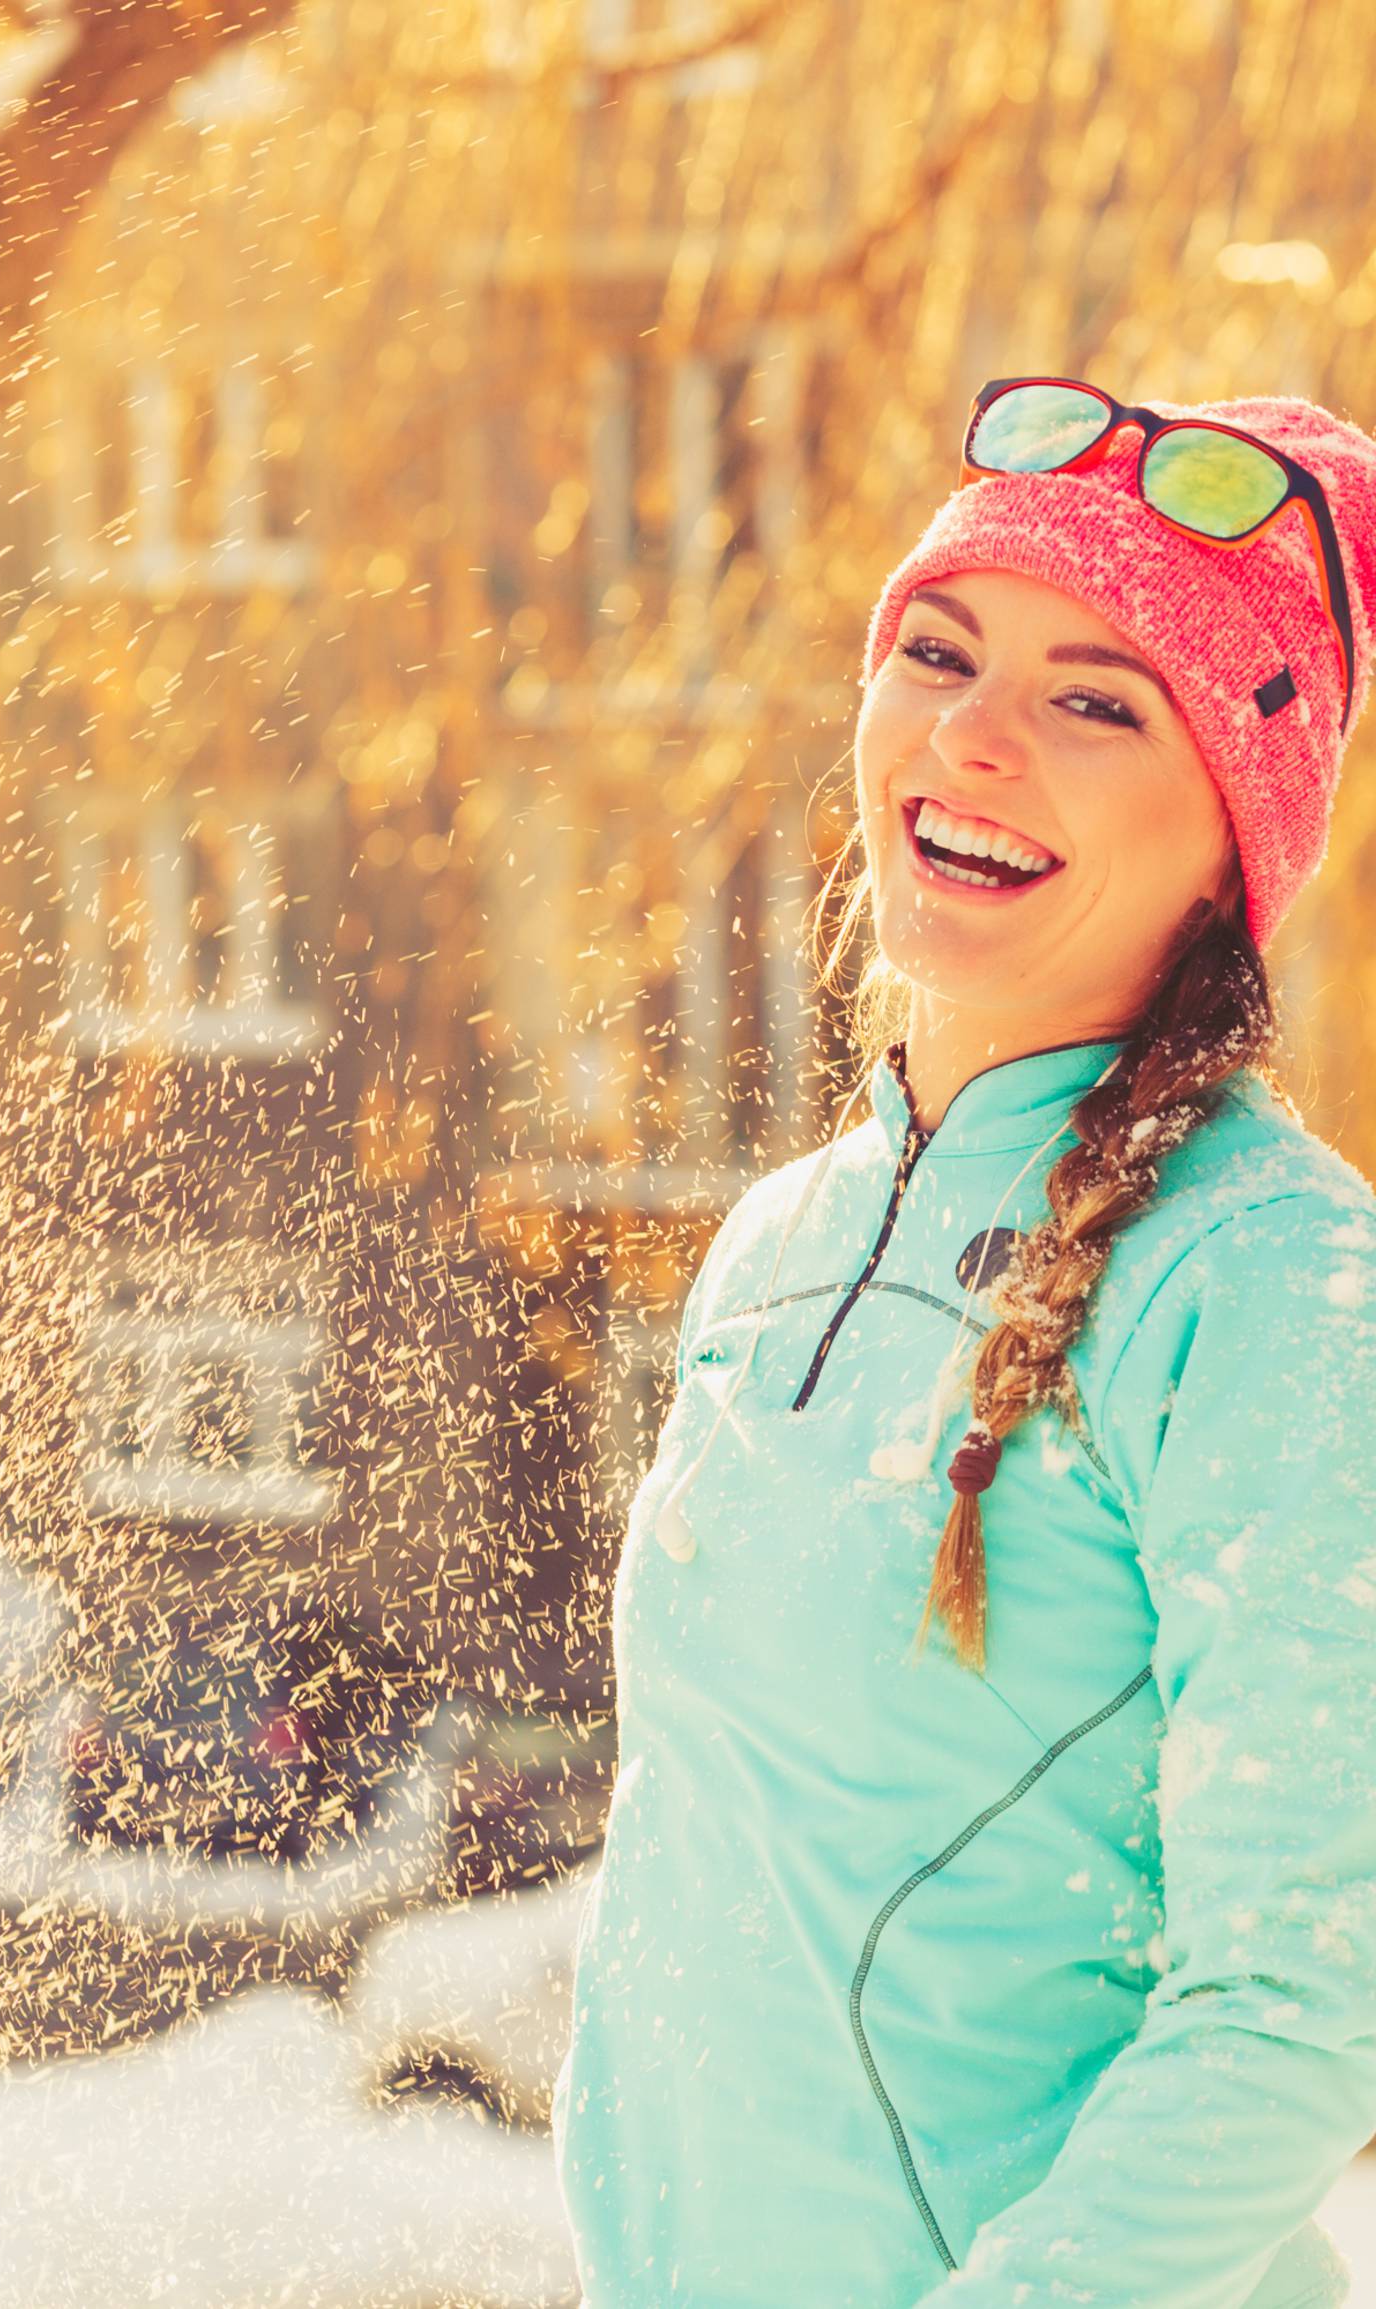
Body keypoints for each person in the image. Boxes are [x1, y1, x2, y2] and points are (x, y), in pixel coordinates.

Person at [550, 381, 1376, 2309]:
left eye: (1099, 699)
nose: (974, 733)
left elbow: (1307, 1990)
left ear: (1229, 835)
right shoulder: (778, 1245)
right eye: (937, 651)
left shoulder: (1267, 1287)